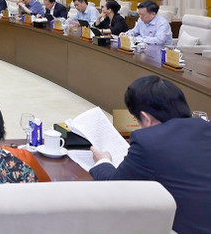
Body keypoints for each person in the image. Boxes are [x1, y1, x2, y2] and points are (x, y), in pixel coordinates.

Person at [90, 76, 211, 233]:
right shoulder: (205, 127)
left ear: (146, 118)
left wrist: (103, 161)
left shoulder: (148, 141)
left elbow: (115, 188)